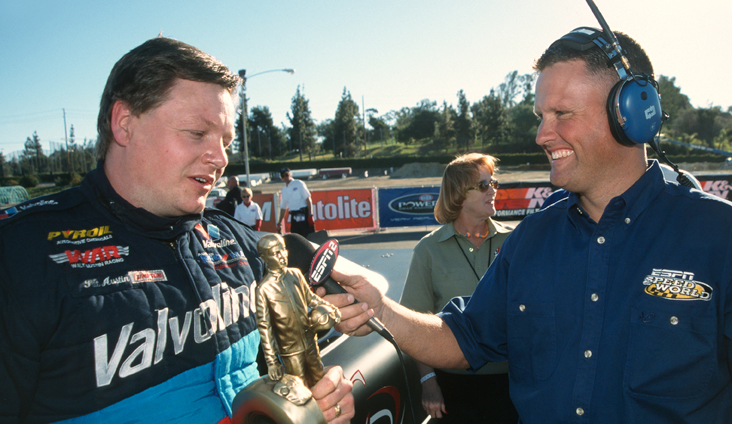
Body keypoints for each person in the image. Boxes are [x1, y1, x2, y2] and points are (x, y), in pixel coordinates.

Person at [325, 28, 732, 423]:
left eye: (562, 114)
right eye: (541, 116)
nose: (541, 135)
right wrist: (380, 309)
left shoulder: (719, 235)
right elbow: (464, 338)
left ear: (631, 113)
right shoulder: (530, 240)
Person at [0, 37, 353, 424]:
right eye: (197, 133)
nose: (220, 159)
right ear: (124, 124)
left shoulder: (231, 236)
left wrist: (311, 404)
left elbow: (303, 270)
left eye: (226, 141)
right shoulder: (19, 255)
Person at [399, 153, 517, 423]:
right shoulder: (428, 250)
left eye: (493, 183)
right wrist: (428, 381)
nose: (493, 190)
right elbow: (413, 323)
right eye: (484, 185)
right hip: (453, 387)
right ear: (458, 195)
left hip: (512, 383)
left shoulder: (514, 241)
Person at [255, 234, 341, 388]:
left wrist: (332, 309)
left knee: (319, 379)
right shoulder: (264, 289)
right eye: (276, 253)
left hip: (310, 341)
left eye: (283, 250)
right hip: (290, 352)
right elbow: (265, 328)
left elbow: (311, 299)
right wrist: (272, 362)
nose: (282, 256)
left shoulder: (295, 274)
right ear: (264, 257)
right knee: (299, 389)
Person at [276, 167, 315, 237]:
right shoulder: (284, 190)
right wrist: (280, 223)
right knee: (295, 237)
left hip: (303, 213)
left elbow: (308, 199)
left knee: (307, 236)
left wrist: (310, 215)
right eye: (283, 176)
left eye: (286, 175)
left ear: (290, 174)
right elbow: (283, 208)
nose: (285, 177)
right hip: (294, 215)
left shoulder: (298, 183)